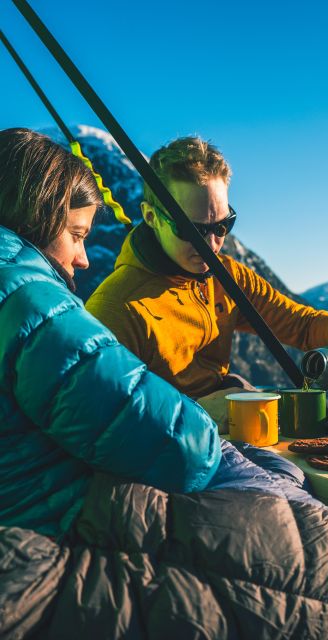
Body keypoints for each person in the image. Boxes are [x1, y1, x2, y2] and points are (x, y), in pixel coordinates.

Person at [0, 128, 221, 538]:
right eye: (77, 235)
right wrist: (213, 423)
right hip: (52, 527)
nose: (83, 259)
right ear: (35, 217)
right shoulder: (29, 301)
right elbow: (187, 452)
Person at [86, 136, 328, 430]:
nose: (212, 243)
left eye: (222, 225)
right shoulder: (118, 307)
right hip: (175, 440)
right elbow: (103, 414)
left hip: (234, 414)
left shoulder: (227, 277)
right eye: (191, 230)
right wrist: (197, 412)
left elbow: (296, 322)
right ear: (151, 217)